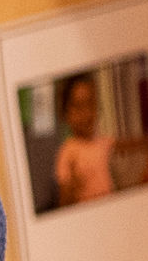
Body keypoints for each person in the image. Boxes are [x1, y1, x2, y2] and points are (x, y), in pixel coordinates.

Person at [49, 73, 115, 207]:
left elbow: (125, 145)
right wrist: (73, 187)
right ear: (65, 113)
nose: (86, 113)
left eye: (90, 104)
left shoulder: (102, 141)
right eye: (78, 107)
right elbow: (64, 201)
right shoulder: (68, 151)